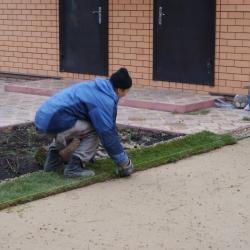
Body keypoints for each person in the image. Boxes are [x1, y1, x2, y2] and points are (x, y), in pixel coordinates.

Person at [35, 68, 134, 178]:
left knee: (82, 127)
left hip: (43, 118)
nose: (126, 94)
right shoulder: (104, 99)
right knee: (96, 131)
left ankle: (52, 165)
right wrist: (124, 163)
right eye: (126, 91)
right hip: (55, 121)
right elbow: (107, 134)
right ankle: (73, 168)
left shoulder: (96, 86)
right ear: (120, 90)